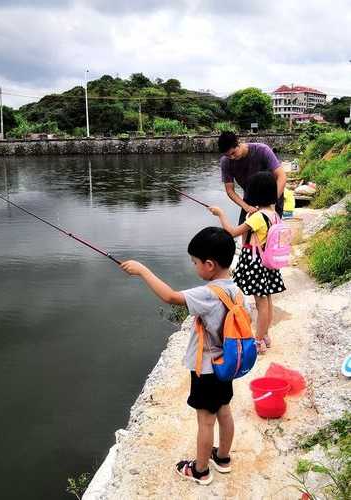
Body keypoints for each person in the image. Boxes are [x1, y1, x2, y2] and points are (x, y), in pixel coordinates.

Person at [121, 227, 246, 485]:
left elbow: (170, 296)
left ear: (209, 265)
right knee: (224, 410)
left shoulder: (208, 294)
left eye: (195, 262)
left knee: (205, 421)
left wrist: (143, 270)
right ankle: (222, 458)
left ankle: (200, 470)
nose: (194, 266)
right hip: (228, 364)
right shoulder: (235, 288)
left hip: (207, 369)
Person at [209, 172, 286, 354]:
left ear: (254, 194)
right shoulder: (273, 214)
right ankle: (265, 334)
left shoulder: (257, 217)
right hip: (267, 262)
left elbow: (232, 232)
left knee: (261, 303)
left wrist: (220, 214)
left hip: (254, 263)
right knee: (267, 300)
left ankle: (258, 341)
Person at [218, 131, 286, 223]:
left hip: (273, 196)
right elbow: (230, 190)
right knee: (245, 232)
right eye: (228, 155)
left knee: (270, 230)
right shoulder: (226, 162)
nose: (232, 157)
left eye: (233, 153)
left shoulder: (262, 150)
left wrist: (272, 201)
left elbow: (281, 176)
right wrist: (246, 207)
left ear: (238, 143)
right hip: (250, 199)